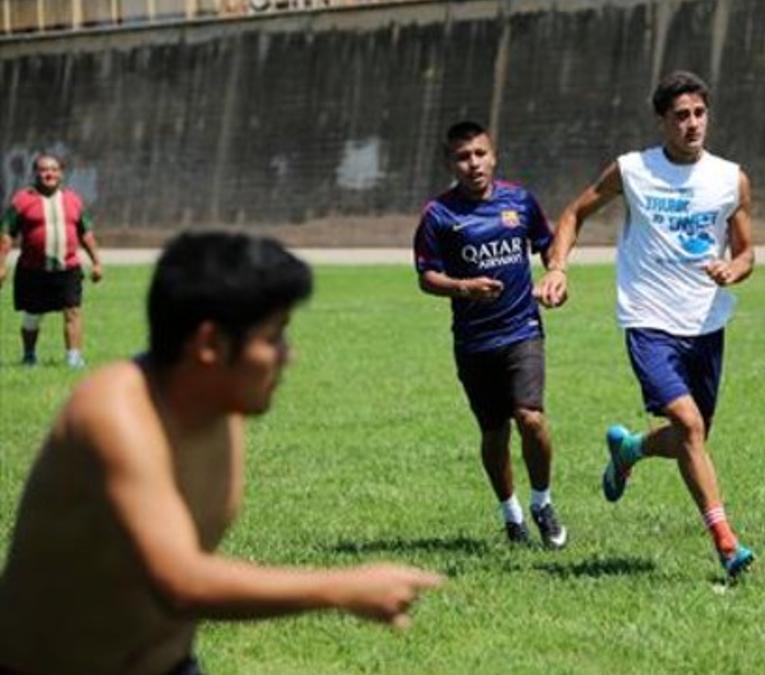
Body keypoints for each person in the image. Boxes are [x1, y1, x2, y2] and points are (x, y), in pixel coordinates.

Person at [0, 232, 444, 675]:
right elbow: (180, 582)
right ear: (209, 344)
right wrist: (342, 587)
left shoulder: (220, 411)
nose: (289, 356)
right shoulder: (114, 413)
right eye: (274, 337)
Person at [535, 70, 756, 579]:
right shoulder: (633, 170)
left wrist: (733, 269)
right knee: (690, 425)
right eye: (681, 115)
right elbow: (574, 213)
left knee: (690, 437)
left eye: (699, 113)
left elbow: (747, 253)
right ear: (662, 121)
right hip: (648, 320)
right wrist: (558, 267)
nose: (692, 124)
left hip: (705, 323)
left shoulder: (730, 178)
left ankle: (630, 449)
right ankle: (726, 544)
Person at [413, 121, 568, 549]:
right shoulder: (439, 215)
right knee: (494, 433)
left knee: (531, 418)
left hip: (522, 330)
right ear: (450, 163)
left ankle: (542, 503)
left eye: (480, 153)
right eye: (463, 157)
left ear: (493, 155)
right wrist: (464, 287)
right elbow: (426, 276)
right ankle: (512, 515)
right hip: (474, 342)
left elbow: (547, 245)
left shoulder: (519, 201)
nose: (473, 163)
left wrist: (556, 273)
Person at [0, 153, 104, 368]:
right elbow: (7, 233)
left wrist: (96, 262)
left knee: (73, 311)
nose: (50, 174)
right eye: (44, 170)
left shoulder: (73, 200)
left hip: (68, 268)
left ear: (61, 173)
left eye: (54, 169)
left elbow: (86, 233)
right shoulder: (22, 200)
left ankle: (73, 358)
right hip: (33, 270)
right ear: (36, 173)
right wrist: (1, 264)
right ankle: (29, 355)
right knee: (33, 316)